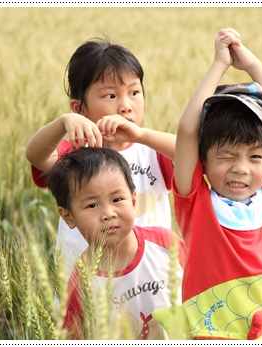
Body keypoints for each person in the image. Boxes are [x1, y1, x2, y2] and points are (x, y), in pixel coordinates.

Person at [171, 28, 262, 340]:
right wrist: (218, 65)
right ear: (204, 161)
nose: (241, 169)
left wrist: (253, 66)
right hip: (216, 332)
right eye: (226, 156)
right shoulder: (195, 203)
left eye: (254, 157)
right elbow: (186, 129)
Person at [25, 36, 175, 281]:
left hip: (150, 281)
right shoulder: (74, 154)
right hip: (86, 286)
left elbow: (196, 154)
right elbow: (35, 155)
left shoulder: (154, 151)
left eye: (134, 92)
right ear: (79, 108)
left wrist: (143, 135)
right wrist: (63, 123)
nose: (126, 105)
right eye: (110, 96)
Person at [46, 147, 185, 339]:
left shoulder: (165, 243)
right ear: (68, 217)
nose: (108, 213)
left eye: (117, 199)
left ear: (133, 200)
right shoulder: (80, 285)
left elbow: (202, 287)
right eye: (92, 205)